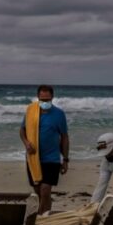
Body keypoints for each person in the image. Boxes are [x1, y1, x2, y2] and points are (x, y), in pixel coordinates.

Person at [19, 84, 69, 215]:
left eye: (47, 100)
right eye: (42, 100)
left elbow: (64, 137)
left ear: (52, 97)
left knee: (45, 190)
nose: (45, 102)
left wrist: (65, 159)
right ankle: (47, 212)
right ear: (38, 98)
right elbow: (22, 130)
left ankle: (40, 218)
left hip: (52, 158)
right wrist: (26, 143)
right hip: (33, 158)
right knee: (38, 191)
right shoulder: (31, 111)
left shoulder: (59, 114)